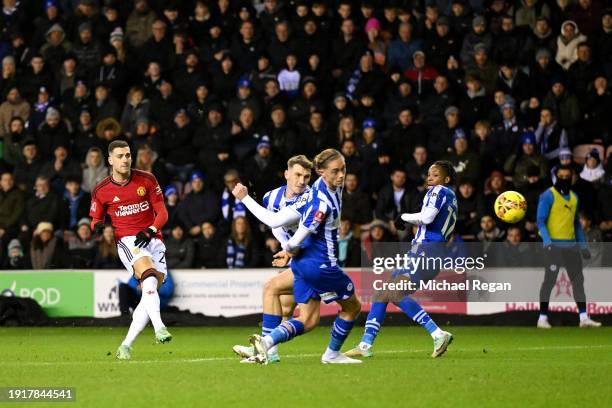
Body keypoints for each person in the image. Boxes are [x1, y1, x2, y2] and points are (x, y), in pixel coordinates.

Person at [239, 149, 363, 364]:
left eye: (343, 169)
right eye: (335, 171)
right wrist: (288, 249)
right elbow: (292, 236)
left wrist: (290, 252)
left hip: (302, 264)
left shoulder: (315, 190)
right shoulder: (320, 202)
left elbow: (281, 223)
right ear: (322, 172)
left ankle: (266, 345)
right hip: (322, 264)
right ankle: (331, 354)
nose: (341, 175)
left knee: (308, 319)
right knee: (353, 307)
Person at [345, 161, 456, 359]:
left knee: (395, 292)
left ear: (446, 179)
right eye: (429, 174)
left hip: (427, 250)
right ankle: (365, 344)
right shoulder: (451, 197)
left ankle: (438, 333)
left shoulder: (438, 191)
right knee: (382, 292)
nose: (430, 178)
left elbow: (428, 217)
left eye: (436, 175)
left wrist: (403, 216)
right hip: (427, 251)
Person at [89, 140, 172, 360]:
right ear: (110, 160)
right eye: (120, 156)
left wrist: (151, 230)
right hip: (128, 241)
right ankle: (159, 327)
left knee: (150, 290)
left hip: (153, 239)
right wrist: (97, 226)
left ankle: (126, 345)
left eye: (127, 155)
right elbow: (94, 219)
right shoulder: (101, 190)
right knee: (149, 276)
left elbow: (162, 213)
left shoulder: (147, 179)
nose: (125, 159)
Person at [232, 155, 313, 363]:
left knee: (277, 293)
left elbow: (273, 219)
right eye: (297, 175)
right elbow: (276, 227)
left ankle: (264, 349)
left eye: (306, 176)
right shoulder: (271, 197)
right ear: (286, 174)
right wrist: (288, 249)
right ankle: (270, 351)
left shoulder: (309, 197)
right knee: (285, 306)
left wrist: (245, 198)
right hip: (300, 260)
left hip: (315, 259)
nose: (301, 181)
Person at [536, 165, 601, 329]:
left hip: (571, 247)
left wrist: (584, 247)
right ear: (556, 177)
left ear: (572, 177)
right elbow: (540, 221)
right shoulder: (548, 196)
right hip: (553, 247)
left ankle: (584, 318)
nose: (564, 179)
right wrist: (547, 242)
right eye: (561, 176)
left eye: (567, 176)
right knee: (549, 281)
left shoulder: (574, 197)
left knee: (578, 281)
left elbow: (577, 225)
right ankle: (542, 318)